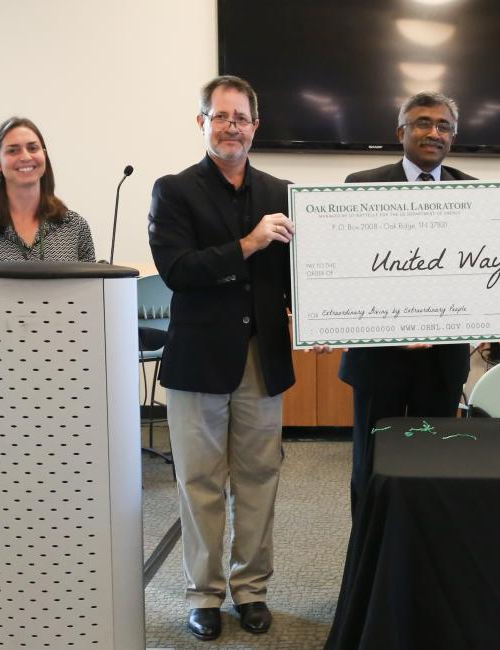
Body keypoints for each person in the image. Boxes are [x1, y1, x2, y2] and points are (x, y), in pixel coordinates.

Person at [147, 75, 295, 641]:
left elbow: (297, 276)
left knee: (259, 478)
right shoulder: (174, 190)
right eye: (220, 116)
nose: (231, 126)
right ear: (202, 122)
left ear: (256, 126)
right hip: (198, 362)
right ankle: (203, 595)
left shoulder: (283, 192)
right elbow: (178, 271)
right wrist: (249, 244)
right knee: (200, 482)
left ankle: (251, 590)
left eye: (241, 117)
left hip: (263, 358)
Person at [339, 91, 473, 512]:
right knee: (372, 466)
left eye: (443, 126)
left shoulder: (476, 194)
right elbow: (347, 270)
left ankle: (426, 560)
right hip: (379, 359)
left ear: (453, 136)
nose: (434, 132)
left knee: (435, 466)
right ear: (401, 132)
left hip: (442, 359)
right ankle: (370, 558)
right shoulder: (360, 187)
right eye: (422, 123)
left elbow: (481, 277)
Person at [0, 117, 95, 263]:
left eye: (33, 148)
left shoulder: (75, 226)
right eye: (13, 150)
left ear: (44, 155)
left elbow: (91, 286)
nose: (26, 157)